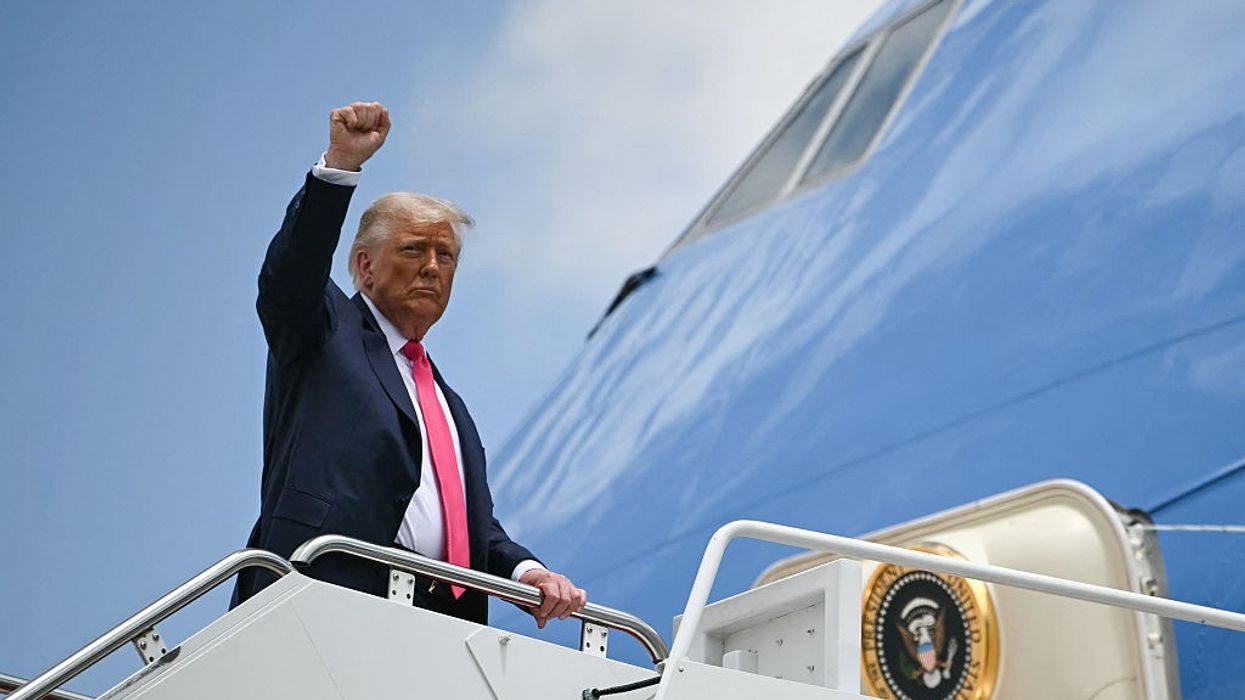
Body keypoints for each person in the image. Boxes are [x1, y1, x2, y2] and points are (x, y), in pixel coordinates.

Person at [231, 101, 586, 628]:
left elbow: (471, 533)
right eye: (414, 249)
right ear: (364, 266)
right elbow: (291, 275)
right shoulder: (324, 331)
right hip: (321, 603)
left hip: (434, 632)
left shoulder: (448, 405)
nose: (432, 268)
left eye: (447, 257)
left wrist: (527, 573)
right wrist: (340, 167)